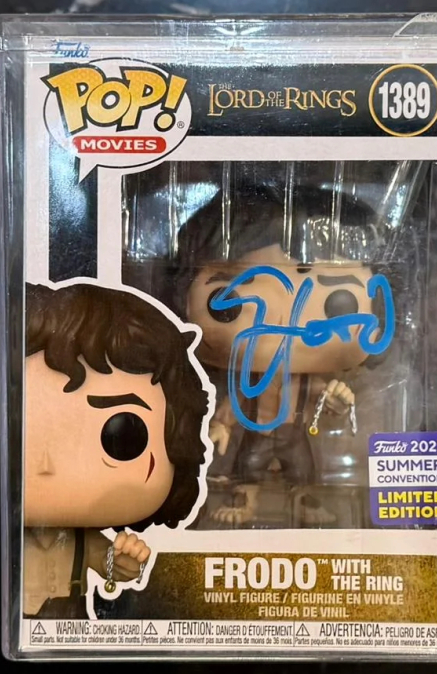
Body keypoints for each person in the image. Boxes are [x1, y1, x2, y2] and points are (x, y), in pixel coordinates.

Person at [178, 186, 392, 525]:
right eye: (229, 300)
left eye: (337, 302)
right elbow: (233, 405)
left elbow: (329, 403)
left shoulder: (308, 381)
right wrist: (220, 425)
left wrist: (340, 400)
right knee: (248, 467)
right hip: (257, 434)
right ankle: (245, 502)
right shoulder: (247, 380)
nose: (285, 321)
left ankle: (305, 503)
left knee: (302, 470)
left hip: (295, 434)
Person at [23, 282, 211, 617]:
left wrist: (124, 560)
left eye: (123, 435)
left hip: (71, 620)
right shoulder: (4, 538)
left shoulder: (85, 540)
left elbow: (114, 568)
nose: (45, 464)